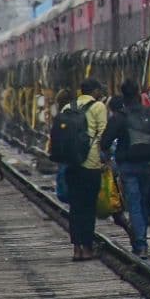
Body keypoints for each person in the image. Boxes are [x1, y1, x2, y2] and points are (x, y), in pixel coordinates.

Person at [101, 80, 150, 257]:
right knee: (144, 202)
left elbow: (105, 142)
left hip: (128, 165)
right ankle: (141, 238)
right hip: (148, 165)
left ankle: (141, 244)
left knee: (134, 203)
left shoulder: (120, 117)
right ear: (138, 93)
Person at [65, 79, 110, 261]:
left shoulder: (68, 107)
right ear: (95, 91)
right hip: (91, 164)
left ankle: (76, 249)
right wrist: (105, 159)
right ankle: (87, 248)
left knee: (75, 207)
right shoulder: (99, 107)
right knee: (89, 207)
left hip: (72, 163)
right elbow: (103, 136)